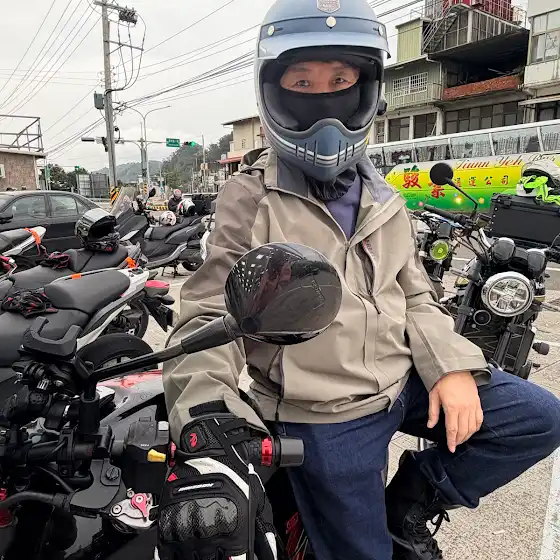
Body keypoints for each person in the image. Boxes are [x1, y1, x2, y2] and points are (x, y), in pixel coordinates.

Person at [158, 1, 560, 559]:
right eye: (303, 83)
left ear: (367, 88)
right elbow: (208, 315)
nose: (324, 100)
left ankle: (411, 501)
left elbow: (416, 295)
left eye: (340, 81)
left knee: (538, 419)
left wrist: (452, 368)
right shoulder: (250, 198)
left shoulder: (384, 197)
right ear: (273, 91)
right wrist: (208, 422)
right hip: (324, 413)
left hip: (403, 381)